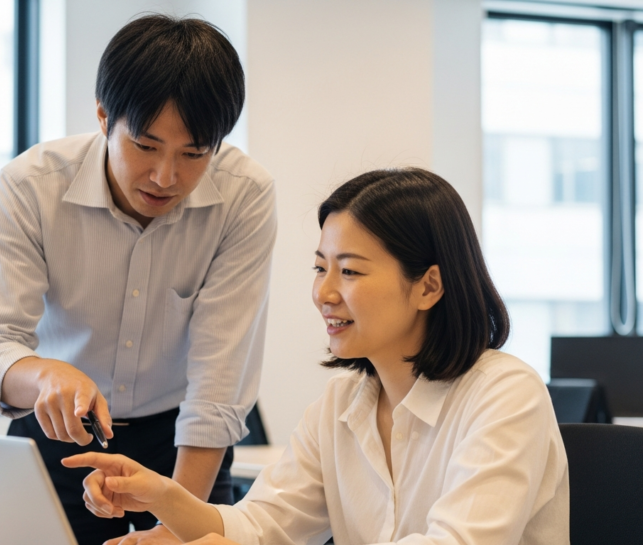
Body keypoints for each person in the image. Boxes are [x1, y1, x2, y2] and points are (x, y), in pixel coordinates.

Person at [64, 168, 570, 544]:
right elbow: (262, 524)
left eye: (349, 272)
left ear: (428, 286)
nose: (324, 293)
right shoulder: (344, 403)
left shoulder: (505, 396)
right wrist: (165, 499)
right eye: (320, 268)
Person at [0, 13, 275, 545]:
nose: (166, 176)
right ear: (105, 118)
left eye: (194, 153)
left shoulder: (244, 196)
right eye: (146, 147)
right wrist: (45, 375)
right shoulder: (30, 186)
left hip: (182, 441)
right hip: (55, 432)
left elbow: (221, 375)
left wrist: (180, 521)